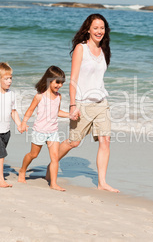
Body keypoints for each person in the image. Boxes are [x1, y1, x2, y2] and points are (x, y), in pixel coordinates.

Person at [47, 14, 119, 193]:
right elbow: (73, 79)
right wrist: (73, 105)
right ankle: (52, 165)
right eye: (95, 28)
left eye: (102, 28)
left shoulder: (104, 49)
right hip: (82, 103)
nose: (99, 31)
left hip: (101, 102)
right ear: (88, 29)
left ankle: (102, 182)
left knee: (105, 141)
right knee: (74, 142)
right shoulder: (81, 48)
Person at [18, 66, 69, 191]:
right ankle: (22, 170)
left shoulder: (59, 96)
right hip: (39, 131)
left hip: (53, 132)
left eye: (62, 82)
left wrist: (70, 115)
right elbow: (30, 110)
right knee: (33, 154)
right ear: (49, 80)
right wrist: (23, 123)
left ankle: (53, 183)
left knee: (55, 157)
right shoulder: (39, 97)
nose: (60, 85)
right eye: (57, 82)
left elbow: (57, 111)